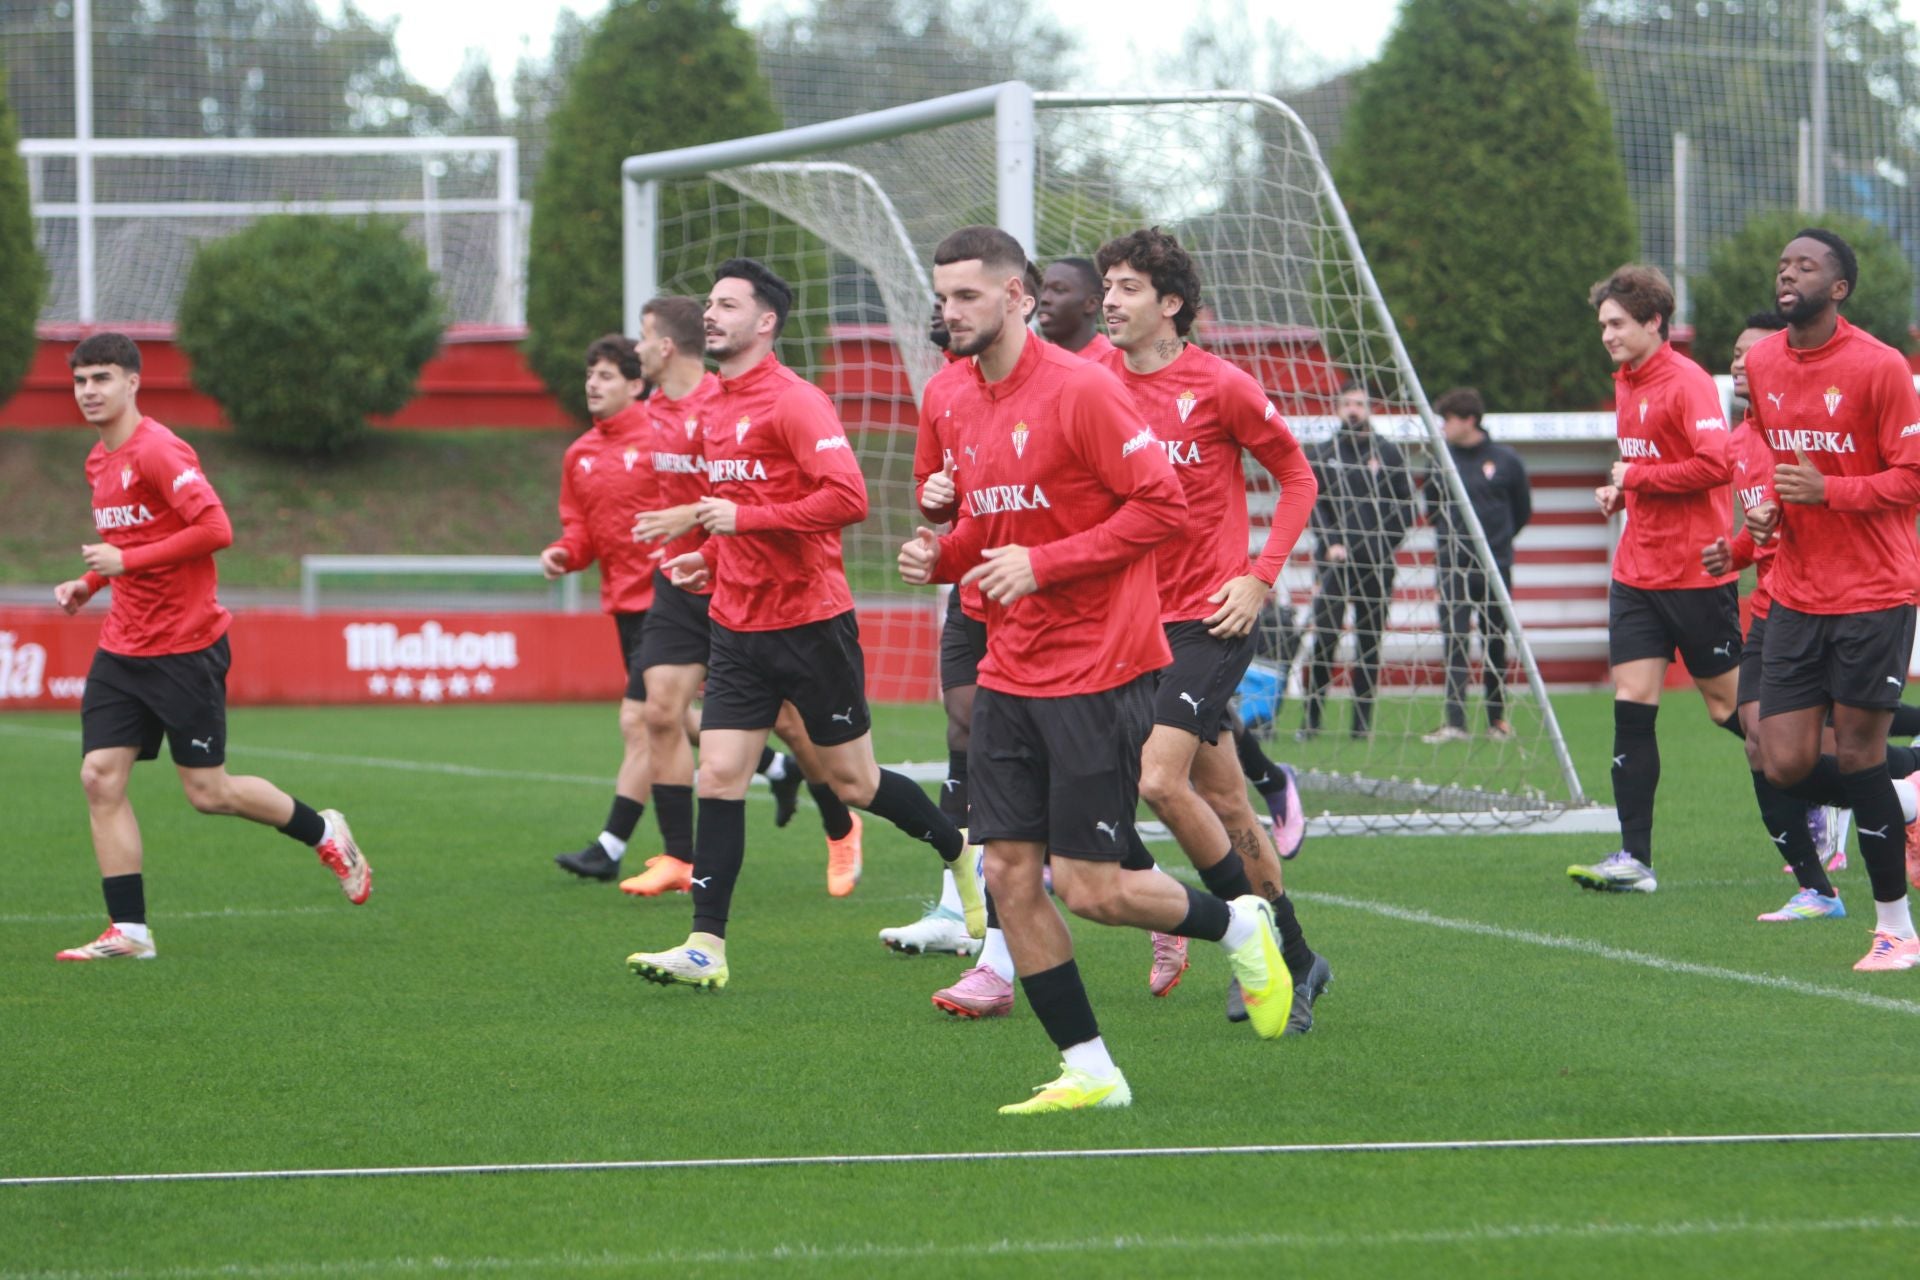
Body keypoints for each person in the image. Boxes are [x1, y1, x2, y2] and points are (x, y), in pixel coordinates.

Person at [901, 225, 1292, 1115]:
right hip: (1011, 665)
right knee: (1006, 874)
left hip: (1099, 668)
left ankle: (1239, 919)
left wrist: (1045, 565)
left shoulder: (1082, 390)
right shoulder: (950, 399)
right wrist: (946, 553)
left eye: (967, 295)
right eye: (943, 294)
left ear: (1017, 298)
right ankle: (1092, 1070)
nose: (948, 310)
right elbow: (987, 529)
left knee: (1094, 890)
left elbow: (1163, 509)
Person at [625, 258, 980, 990]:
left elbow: (848, 499)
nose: (710, 316)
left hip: (812, 624)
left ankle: (958, 849)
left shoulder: (796, 401)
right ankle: (705, 948)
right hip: (735, 626)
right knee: (719, 774)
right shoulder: (715, 407)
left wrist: (740, 519)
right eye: (708, 304)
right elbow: (738, 512)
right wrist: (710, 560)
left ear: (766, 322)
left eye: (727, 305)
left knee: (855, 783)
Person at [51, 333, 370, 961]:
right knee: (99, 777)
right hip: (123, 646)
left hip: (184, 647)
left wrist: (122, 559)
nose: (90, 391)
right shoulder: (98, 460)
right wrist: (91, 582)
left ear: (133, 382)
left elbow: (216, 528)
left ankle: (323, 830)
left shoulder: (159, 450)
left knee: (209, 793)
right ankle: (130, 932)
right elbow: (135, 540)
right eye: (82, 380)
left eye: (103, 378)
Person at [1094, 225, 1331, 1026]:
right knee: (1226, 801)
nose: (1109, 301)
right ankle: (1298, 958)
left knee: (1160, 782)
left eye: (1127, 288)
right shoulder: (1089, 377)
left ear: (1170, 305)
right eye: (1108, 286)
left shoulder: (1220, 385)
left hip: (1209, 620)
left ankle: (1252, 947)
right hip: (1124, 624)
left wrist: (1261, 578)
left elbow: (1298, 477)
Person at [621, 297, 860, 897]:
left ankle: (838, 819)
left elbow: (758, 488)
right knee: (657, 711)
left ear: (668, 345)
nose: (636, 348)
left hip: (757, 575)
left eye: (643, 336)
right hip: (692, 573)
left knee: (793, 726)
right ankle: (679, 856)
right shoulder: (649, 409)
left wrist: (690, 516)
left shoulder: (730, 398)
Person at [1743, 228, 1920, 970]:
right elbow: (1781, 466)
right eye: (1784, 264)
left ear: (1838, 287)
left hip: (1876, 591)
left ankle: (1896, 930)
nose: (1789, 274)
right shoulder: (1760, 363)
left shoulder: (1881, 367)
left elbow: (1911, 479)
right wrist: (1770, 516)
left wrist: (1830, 491)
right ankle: (1905, 797)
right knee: (1777, 756)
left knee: (1856, 753)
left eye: (1806, 265)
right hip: (1796, 592)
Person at [1566, 265, 1741, 894]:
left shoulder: (1688, 382)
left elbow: (1716, 465)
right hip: (1637, 574)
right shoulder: (1625, 381)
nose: (1607, 335)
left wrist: (1636, 479)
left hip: (1695, 575)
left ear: (1653, 322)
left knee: (1733, 711)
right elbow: (1647, 468)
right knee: (1632, 710)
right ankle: (1635, 859)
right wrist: (1622, 490)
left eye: (1617, 324)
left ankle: (1870, 774)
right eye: (1603, 325)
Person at [1701, 310, 1851, 923]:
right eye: (1735, 353)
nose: (1740, 363)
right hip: (1770, 606)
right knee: (1760, 741)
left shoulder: (1803, 433)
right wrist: (1731, 551)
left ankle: (1904, 792)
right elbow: (1761, 530)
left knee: (1814, 741)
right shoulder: (1740, 439)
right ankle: (1816, 889)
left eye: (1752, 353)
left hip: (1824, 606)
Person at [878, 296, 991, 957]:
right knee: (964, 725)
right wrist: (934, 503)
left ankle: (1151, 904)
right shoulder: (944, 392)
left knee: (1046, 757)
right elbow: (930, 488)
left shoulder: (1067, 382)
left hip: (1038, 596)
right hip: (970, 589)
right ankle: (959, 910)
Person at [540, 336, 667, 881]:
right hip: (625, 606)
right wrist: (564, 553)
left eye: (607, 375)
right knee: (669, 719)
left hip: (672, 598)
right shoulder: (580, 454)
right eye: (590, 373)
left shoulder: (665, 440)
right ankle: (777, 768)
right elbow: (582, 532)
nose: (593, 383)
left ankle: (611, 847)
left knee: (637, 721)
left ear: (637, 385)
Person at [1298, 381, 1415, 739]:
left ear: (1370, 408)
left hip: (1376, 565)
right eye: (1347, 403)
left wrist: (1382, 545)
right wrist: (1331, 542)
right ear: (1337, 408)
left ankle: (1361, 726)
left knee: (1369, 643)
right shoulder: (1321, 452)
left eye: (1360, 404)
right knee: (1325, 640)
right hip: (1333, 564)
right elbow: (1312, 504)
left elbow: (1405, 508)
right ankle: (1312, 721)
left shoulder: (1388, 452)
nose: (1353, 410)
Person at [1420, 387, 1531, 744]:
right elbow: (1432, 509)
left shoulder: (1506, 459)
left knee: (1494, 642)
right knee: (1455, 640)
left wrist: (1496, 543)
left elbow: (1522, 510)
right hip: (1453, 566)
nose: (1443, 427)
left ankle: (1497, 721)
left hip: (1495, 566)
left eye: (1448, 420)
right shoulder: (1440, 459)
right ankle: (1455, 723)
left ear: (1468, 421)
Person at [1037, 257, 1112, 358]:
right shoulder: (1032, 360)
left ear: (1092, 303)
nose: (1044, 299)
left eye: (1059, 290)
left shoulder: (1113, 363)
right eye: (1042, 289)